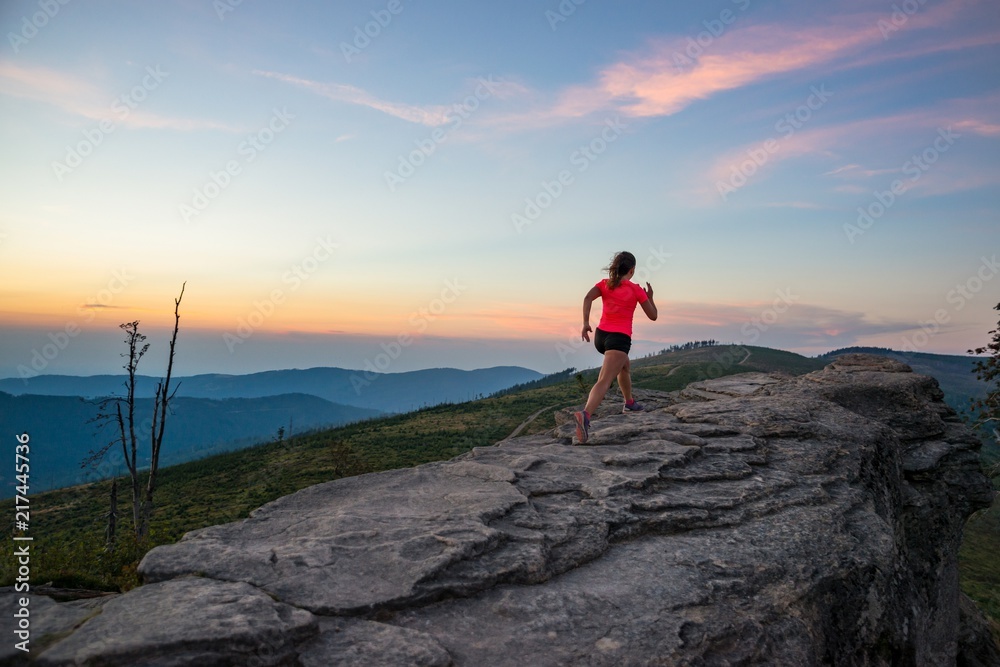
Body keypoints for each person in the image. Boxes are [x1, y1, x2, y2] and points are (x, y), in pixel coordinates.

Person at [574, 251, 657, 444]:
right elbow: (653, 316)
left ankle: (629, 403)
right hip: (619, 340)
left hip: (601, 337)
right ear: (632, 270)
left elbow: (587, 298)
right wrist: (650, 297)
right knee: (604, 380)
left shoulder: (605, 284)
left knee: (624, 365)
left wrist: (586, 323)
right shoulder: (636, 290)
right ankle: (585, 415)